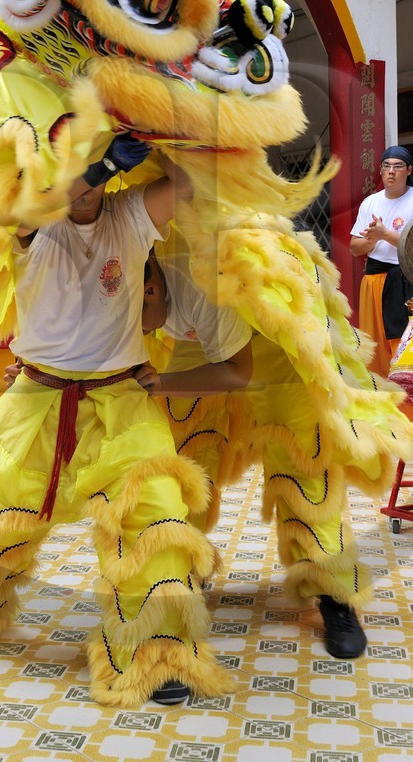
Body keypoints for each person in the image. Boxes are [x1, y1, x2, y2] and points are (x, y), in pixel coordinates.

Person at [0, 139, 232, 709]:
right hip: (35, 395)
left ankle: (155, 655)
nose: (92, 182)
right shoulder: (34, 214)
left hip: (119, 397)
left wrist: (154, 127)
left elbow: (181, 186)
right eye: (83, 164)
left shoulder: (128, 214)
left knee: (153, 516)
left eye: (103, 168)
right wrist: (95, 160)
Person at [141, 251, 372, 660]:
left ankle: (334, 593)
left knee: (301, 455)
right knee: (181, 457)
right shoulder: (128, 244)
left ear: (149, 289)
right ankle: (175, 575)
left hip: (273, 329)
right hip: (196, 325)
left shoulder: (201, 269)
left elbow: (236, 370)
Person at [350, 146, 413, 374]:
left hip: (408, 280)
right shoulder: (370, 203)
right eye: (386, 166)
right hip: (375, 280)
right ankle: (379, 392)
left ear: (409, 170)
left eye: (398, 166)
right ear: (380, 170)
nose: (391, 172)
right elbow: (354, 247)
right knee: (374, 342)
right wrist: (372, 240)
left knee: (407, 342)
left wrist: (384, 233)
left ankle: (409, 391)